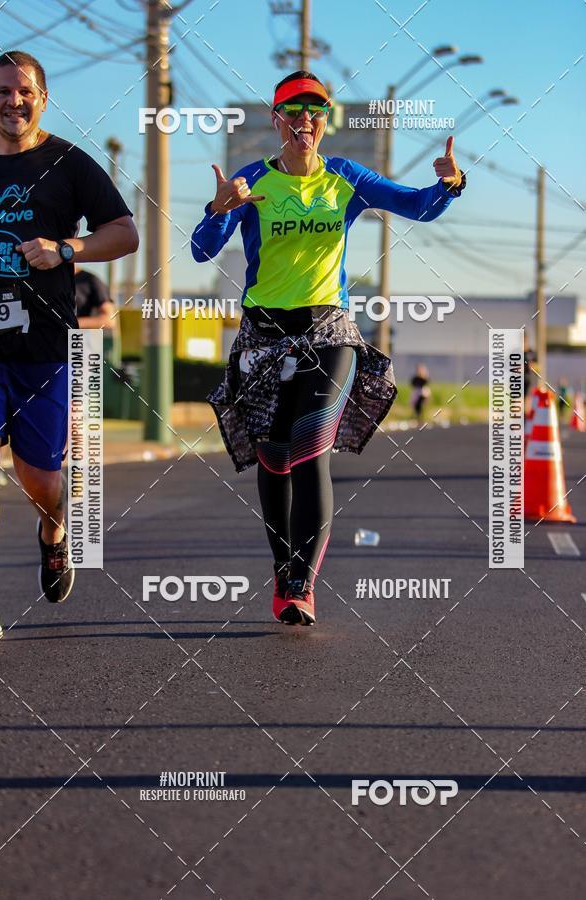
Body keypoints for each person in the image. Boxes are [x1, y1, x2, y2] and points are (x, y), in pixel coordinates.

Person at [191, 70, 465, 626]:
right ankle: (281, 567)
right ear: (276, 121)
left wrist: (450, 184)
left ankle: (300, 584)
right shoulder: (251, 180)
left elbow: (417, 206)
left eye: (314, 114)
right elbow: (201, 251)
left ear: (325, 124)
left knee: (309, 443)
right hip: (263, 334)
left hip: (328, 332)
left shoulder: (345, 178)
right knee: (274, 458)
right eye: (293, 113)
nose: (304, 124)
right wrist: (218, 209)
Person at [0, 51, 138, 604]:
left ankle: (54, 530)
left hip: (44, 347)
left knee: (41, 481)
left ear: (43, 97)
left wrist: (65, 249)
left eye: (24, 91)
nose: (13, 101)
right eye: (3, 91)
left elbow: (124, 233)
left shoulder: (69, 163)